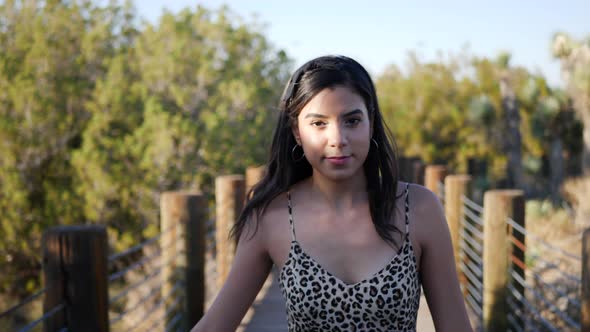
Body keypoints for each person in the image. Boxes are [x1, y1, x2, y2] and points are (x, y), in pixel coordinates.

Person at [191, 55, 472, 331]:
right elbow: (214, 325)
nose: (337, 139)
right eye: (318, 123)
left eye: (351, 121)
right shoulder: (271, 217)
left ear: (371, 123)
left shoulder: (419, 208)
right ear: (296, 131)